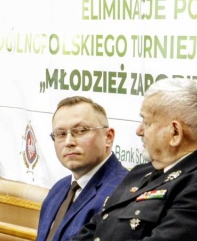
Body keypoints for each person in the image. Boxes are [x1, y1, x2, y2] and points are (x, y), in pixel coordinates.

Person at [72, 78, 197, 240]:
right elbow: (94, 228)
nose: (139, 131)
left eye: (147, 122)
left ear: (175, 133)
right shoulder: (141, 172)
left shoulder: (194, 185)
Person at [36, 96, 128, 241]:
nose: (68, 142)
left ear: (108, 137)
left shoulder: (122, 193)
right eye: (61, 134)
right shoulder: (58, 189)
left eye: (80, 131)